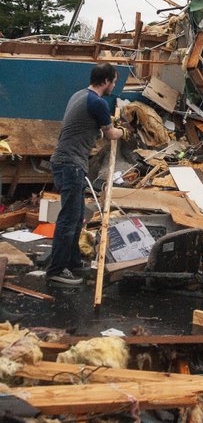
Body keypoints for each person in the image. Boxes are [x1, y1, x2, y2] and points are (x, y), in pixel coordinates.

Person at [47, 63, 129, 285]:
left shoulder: (80, 95)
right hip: (71, 164)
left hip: (65, 161)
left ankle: (72, 262)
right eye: (113, 81)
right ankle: (56, 269)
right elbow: (110, 134)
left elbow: (92, 130)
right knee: (69, 218)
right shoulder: (97, 102)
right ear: (105, 81)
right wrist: (125, 131)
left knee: (77, 216)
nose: (114, 85)